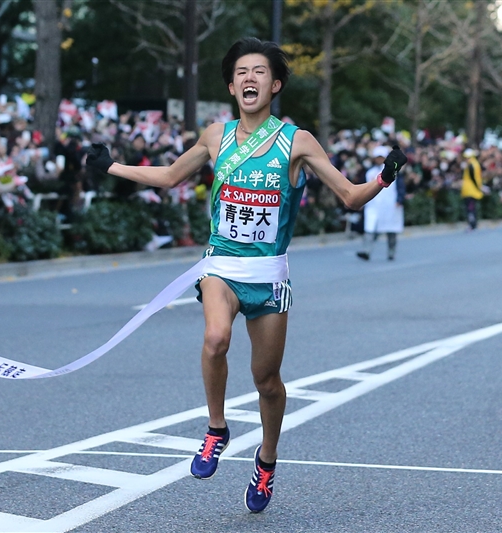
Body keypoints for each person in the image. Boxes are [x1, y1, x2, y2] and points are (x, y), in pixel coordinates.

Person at [86, 37, 406, 513]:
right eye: (240, 72)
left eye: (259, 71)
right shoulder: (216, 135)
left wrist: (383, 177)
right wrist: (110, 165)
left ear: (274, 84)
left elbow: (348, 197)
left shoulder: (296, 141)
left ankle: (267, 459)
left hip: (269, 274)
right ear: (231, 85)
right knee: (216, 338)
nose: (249, 78)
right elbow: (171, 175)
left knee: (267, 380)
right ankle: (216, 428)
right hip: (221, 265)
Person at [357, 145, 405, 261]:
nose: (379, 159)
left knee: (391, 230)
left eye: (381, 157)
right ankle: (366, 251)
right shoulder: (369, 173)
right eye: (377, 157)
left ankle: (391, 252)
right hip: (373, 205)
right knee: (370, 228)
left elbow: (400, 187)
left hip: (390, 205)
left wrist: (399, 200)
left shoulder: (394, 170)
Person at [460, 147, 483, 230]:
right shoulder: (474, 163)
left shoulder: (471, 165)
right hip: (471, 189)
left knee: (470, 208)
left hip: (470, 190)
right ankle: (474, 223)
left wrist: (478, 187)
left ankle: (472, 224)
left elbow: (473, 178)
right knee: (472, 207)